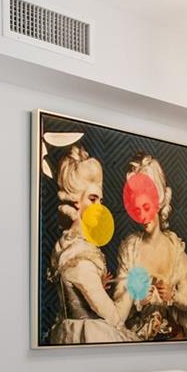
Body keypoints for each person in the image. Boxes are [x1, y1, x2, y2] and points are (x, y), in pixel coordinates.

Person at [46, 145, 133, 344]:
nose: (99, 208)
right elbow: (115, 318)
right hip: (88, 336)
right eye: (93, 199)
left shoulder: (68, 247)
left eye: (101, 200)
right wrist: (131, 285)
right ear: (76, 201)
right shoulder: (81, 258)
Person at [113, 152, 187, 340]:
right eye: (137, 210)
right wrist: (137, 300)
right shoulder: (130, 249)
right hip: (137, 335)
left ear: (158, 204)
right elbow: (118, 306)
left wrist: (172, 295)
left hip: (171, 335)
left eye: (146, 207)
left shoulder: (175, 248)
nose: (142, 217)